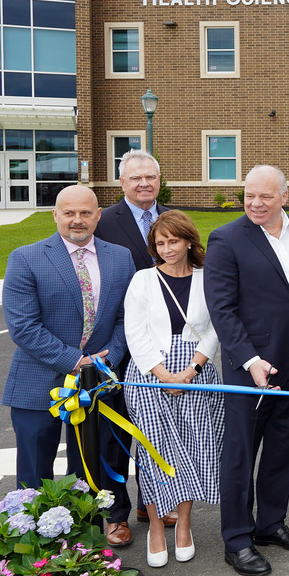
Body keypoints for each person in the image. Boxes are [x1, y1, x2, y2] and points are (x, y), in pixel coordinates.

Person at [204, 165, 289, 576]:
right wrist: (251, 360)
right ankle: (237, 539)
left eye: (265, 197)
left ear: (284, 197)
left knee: (283, 447)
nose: (255, 203)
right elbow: (222, 309)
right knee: (240, 453)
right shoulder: (226, 239)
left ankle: (270, 524)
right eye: (249, 195)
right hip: (249, 368)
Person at [2, 185, 135, 546]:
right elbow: (23, 326)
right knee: (33, 470)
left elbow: (128, 317)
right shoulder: (26, 257)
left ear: (98, 215)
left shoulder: (120, 257)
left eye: (86, 213)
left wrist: (109, 356)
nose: (78, 220)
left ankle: (83, 542)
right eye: (69, 213)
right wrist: (75, 361)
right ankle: (30, 546)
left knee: (89, 467)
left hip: (98, 382)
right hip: (37, 382)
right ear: (55, 215)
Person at [122, 210, 225, 568]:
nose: (167, 248)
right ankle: (154, 524)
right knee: (155, 453)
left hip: (197, 374)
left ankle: (183, 524)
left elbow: (215, 327)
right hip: (150, 375)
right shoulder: (142, 280)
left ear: (188, 241)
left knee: (193, 448)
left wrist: (192, 369)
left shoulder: (206, 278)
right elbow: (134, 332)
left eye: (173, 241)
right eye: (160, 243)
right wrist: (164, 375)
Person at [94, 149, 171, 530]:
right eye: (135, 177)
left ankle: (153, 503)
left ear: (160, 181)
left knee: (157, 429)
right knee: (117, 432)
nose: (144, 183)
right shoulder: (104, 221)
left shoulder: (172, 220)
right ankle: (116, 514)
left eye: (151, 177)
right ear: (122, 182)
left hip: (165, 344)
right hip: (119, 343)